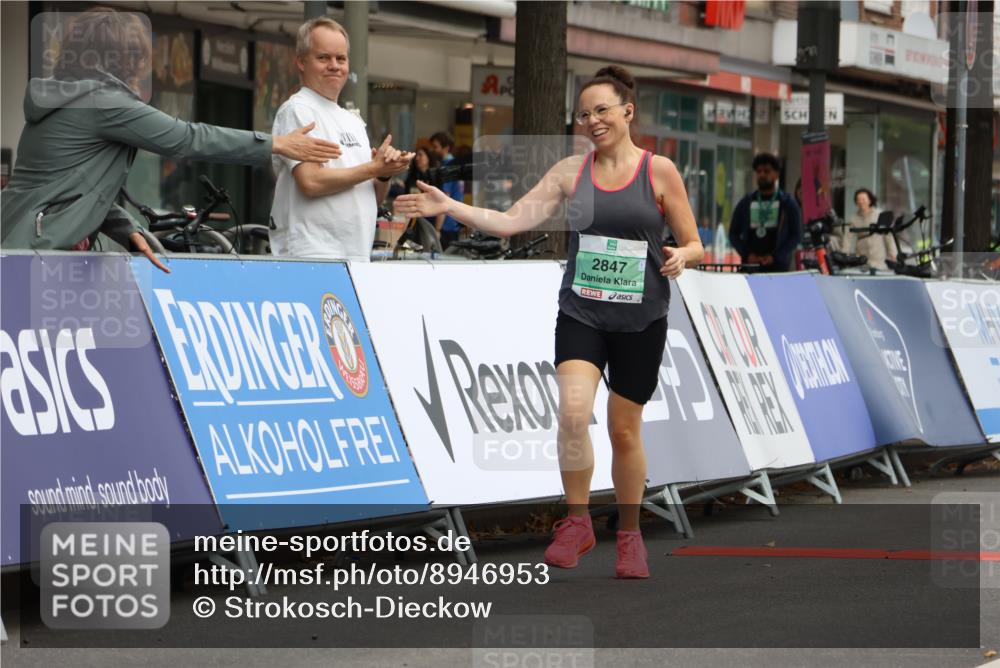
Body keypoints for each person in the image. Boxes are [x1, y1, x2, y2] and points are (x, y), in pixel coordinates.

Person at [396, 65, 704, 579]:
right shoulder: (569, 172)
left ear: (628, 111)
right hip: (583, 311)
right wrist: (450, 205)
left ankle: (629, 535)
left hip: (642, 317)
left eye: (602, 110)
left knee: (624, 431)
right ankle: (578, 521)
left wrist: (683, 256)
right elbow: (512, 220)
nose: (592, 120)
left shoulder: (659, 171)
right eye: (584, 114)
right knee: (572, 413)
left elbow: (694, 240)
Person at [0, 8, 342, 272]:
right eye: (138, 59)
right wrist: (275, 144)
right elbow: (186, 138)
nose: (142, 69)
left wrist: (125, 226)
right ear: (121, 60)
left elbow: (71, 187)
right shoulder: (103, 103)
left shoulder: (71, 97)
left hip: (21, 241)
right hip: (35, 248)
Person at [269, 17, 413, 261]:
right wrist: (372, 168)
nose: (334, 65)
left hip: (356, 255)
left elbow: (372, 197)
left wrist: (384, 173)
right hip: (311, 254)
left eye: (341, 58)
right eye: (323, 57)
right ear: (301, 62)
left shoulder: (353, 120)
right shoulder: (297, 110)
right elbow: (311, 182)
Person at [728, 153, 801, 272]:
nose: (762, 174)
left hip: (778, 269)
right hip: (750, 268)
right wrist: (747, 255)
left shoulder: (788, 203)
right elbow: (733, 234)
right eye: (759, 171)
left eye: (767, 171)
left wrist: (776, 257)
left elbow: (796, 235)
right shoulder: (746, 202)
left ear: (776, 174)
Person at [428, 131, 465, 249]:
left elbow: (444, 198)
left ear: (446, 147)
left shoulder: (447, 167)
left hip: (446, 224)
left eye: (436, 147)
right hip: (454, 221)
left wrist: (437, 229)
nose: (433, 150)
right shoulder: (455, 164)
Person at [848, 187, 897, 271]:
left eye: (863, 199)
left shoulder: (879, 214)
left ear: (870, 200)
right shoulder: (853, 218)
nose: (861, 202)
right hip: (862, 256)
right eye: (858, 199)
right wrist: (844, 256)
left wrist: (893, 253)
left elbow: (888, 235)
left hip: (879, 255)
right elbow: (847, 238)